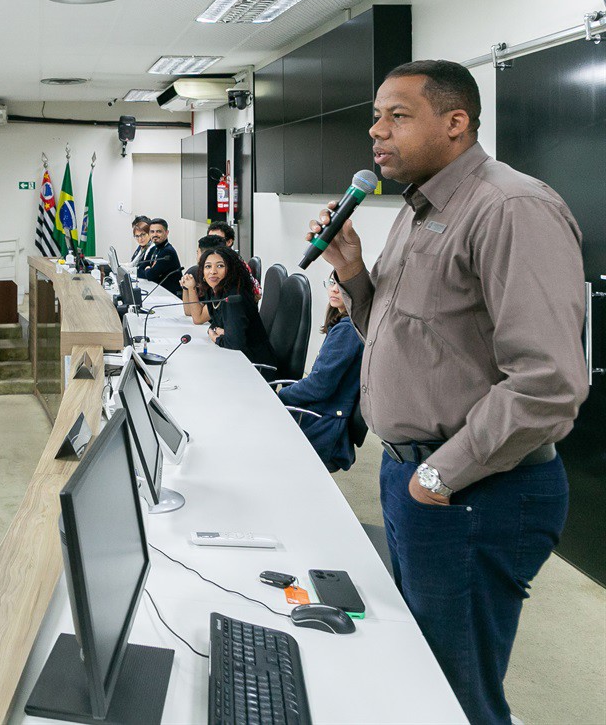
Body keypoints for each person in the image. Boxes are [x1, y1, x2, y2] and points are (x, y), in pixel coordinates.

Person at [307, 60, 586, 725]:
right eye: (375, 116)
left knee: (454, 696)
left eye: (396, 116)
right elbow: (395, 336)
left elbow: (549, 383)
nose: (376, 132)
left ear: (456, 122)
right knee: (419, 673)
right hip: (417, 479)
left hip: (476, 492)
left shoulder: (511, 208)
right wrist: (352, 269)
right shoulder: (418, 207)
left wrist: (438, 473)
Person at [276, 276, 364, 471]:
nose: (334, 289)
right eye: (332, 283)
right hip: (324, 416)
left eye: (342, 286)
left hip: (324, 426)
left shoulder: (347, 331)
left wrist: (280, 396)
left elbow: (319, 386)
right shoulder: (346, 324)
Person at [192, 247, 276, 370]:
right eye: (208, 266)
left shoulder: (233, 298)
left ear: (230, 269)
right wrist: (221, 332)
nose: (213, 271)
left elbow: (234, 343)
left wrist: (215, 336)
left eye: (220, 266)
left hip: (254, 365)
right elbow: (215, 325)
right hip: (235, 358)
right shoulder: (214, 290)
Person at [136, 218, 181, 290]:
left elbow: (151, 276)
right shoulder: (154, 249)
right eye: (152, 232)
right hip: (156, 290)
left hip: (170, 295)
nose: (155, 235)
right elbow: (139, 270)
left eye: (159, 231)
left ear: (166, 233)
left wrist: (147, 269)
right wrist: (149, 270)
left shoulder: (168, 252)